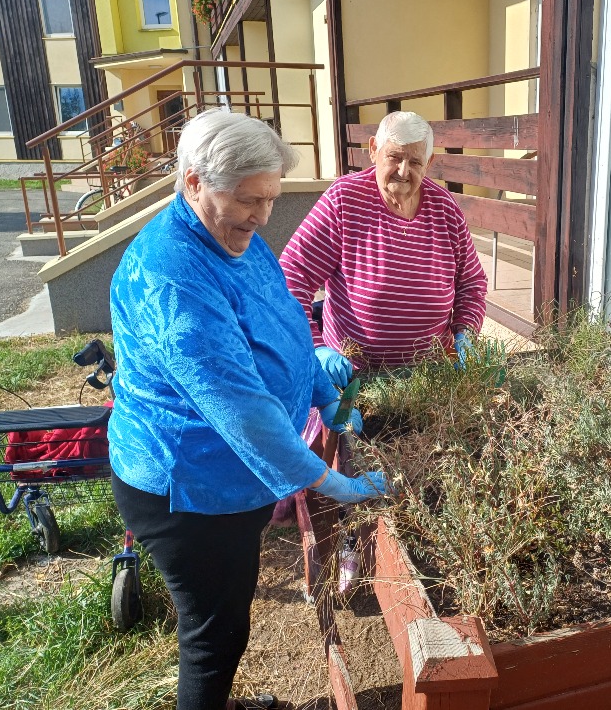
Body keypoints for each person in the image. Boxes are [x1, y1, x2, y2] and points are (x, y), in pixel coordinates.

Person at [107, 109, 388, 710]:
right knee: (214, 634)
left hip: (230, 481)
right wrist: (324, 478)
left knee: (228, 613)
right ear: (193, 182)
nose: (262, 216)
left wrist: (320, 388)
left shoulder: (237, 238)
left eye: (270, 199)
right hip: (189, 486)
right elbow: (238, 404)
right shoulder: (172, 273)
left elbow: (285, 319)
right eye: (247, 199)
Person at [279, 110, 489, 387]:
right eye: (395, 157)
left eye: (415, 162)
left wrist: (466, 332)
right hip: (354, 378)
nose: (403, 171)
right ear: (373, 150)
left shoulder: (444, 208)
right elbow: (293, 275)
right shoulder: (345, 200)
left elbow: (471, 283)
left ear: (429, 163)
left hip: (431, 377)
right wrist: (314, 347)